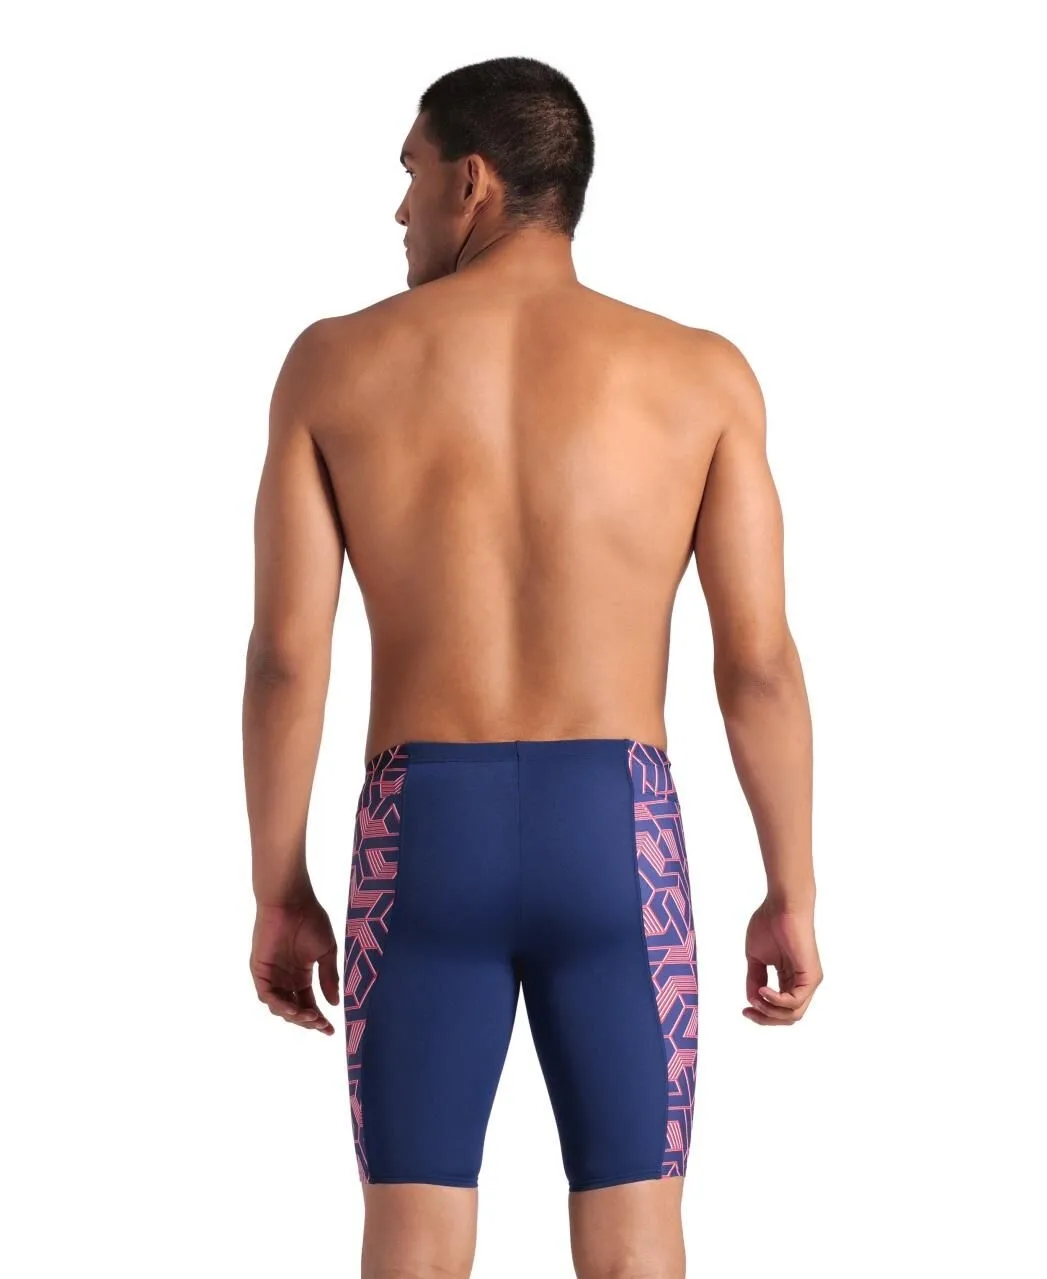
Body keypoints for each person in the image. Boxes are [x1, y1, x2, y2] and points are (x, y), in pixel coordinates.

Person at [243, 54, 822, 1279]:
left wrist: (278, 884)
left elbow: (289, 658)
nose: (398, 208)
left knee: (410, 1242)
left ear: (474, 183)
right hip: (618, 835)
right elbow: (760, 664)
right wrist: (792, 888)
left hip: (419, 834)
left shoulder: (332, 365)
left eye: (410, 173)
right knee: (636, 1242)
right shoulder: (701, 375)